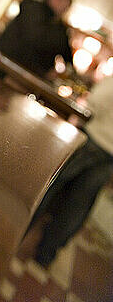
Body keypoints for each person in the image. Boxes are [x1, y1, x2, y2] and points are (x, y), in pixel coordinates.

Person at [32, 75, 113, 267]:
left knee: (52, 182)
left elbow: (97, 100)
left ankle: (20, 227)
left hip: (94, 138)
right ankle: (46, 254)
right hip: (110, 156)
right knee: (78, 205)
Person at [0, 0, 73, 78]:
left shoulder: (58, 25)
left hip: (16, 70)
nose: (65, 9)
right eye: (65, 4)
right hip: (3, 64)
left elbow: (65, 52)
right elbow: (34, 38)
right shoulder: (34, 7)